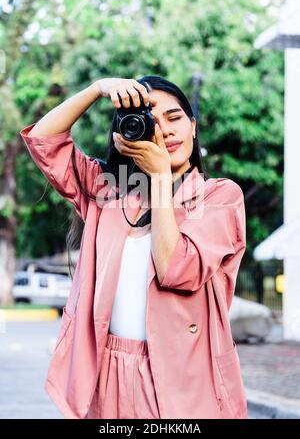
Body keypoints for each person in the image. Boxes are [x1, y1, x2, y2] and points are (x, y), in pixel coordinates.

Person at [19, 75, 248, 419]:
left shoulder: (218, 196)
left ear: (193, 127)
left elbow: (175, 270)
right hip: (107, 369)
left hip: (182, 373)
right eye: (152, 121)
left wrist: (159, 177)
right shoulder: (107, 191)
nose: (166, 131)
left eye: (175, 118)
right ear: (129, 131)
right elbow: (43, 139)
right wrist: (98, 88)